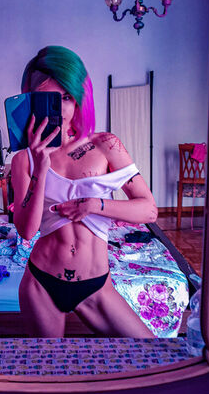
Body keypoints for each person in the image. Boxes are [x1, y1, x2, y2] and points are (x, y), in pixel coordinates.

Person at [11, 46, 157, 337]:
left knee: (148, 350)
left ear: (79, 98)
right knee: (49, 367)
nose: (61, 109)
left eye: (66, 97)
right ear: (31, 101)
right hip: (41, 283)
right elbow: (27, 231)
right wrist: (40, 167)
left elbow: (149, 210)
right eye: (48, 99)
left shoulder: (105, 145)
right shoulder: (23, 160)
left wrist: (94, 205)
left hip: (96, 284)